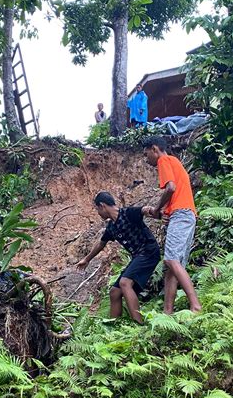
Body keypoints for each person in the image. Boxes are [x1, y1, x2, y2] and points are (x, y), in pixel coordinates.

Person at [76, 191, 160, 324]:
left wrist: (155, 211)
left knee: (125, 282)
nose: (98, 213)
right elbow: (101, 243)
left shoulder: (127, 213)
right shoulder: (111, 227)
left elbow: (143, 210)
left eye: (97, 209)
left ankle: (139, 325)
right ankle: (113, 328)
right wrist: (87, 259)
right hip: (138, 256)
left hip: (149, 251)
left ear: (102, 206)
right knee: (115, 292)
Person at [143, 136, 202, 314]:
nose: (147, 159)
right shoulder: (175, 162)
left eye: (146, 154)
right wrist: (163, 213)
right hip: (185, 214)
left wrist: (156, 208)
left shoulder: (164, 160)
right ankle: (167, 313)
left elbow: (170, 188)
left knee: (171, 260)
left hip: (182, 214)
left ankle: (196, 305)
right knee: (173, 267)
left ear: (155, 149)